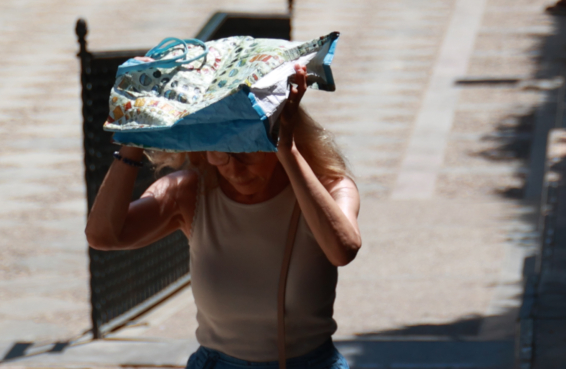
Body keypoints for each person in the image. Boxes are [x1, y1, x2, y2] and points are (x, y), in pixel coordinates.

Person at [86, 66, 361, 369]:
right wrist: (133, 141)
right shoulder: (189, 191)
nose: (234, 169)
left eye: (248, 152)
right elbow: (103, 236)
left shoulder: (328, 188)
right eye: (220, 153)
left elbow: (342, 249)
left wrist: (289, 150)